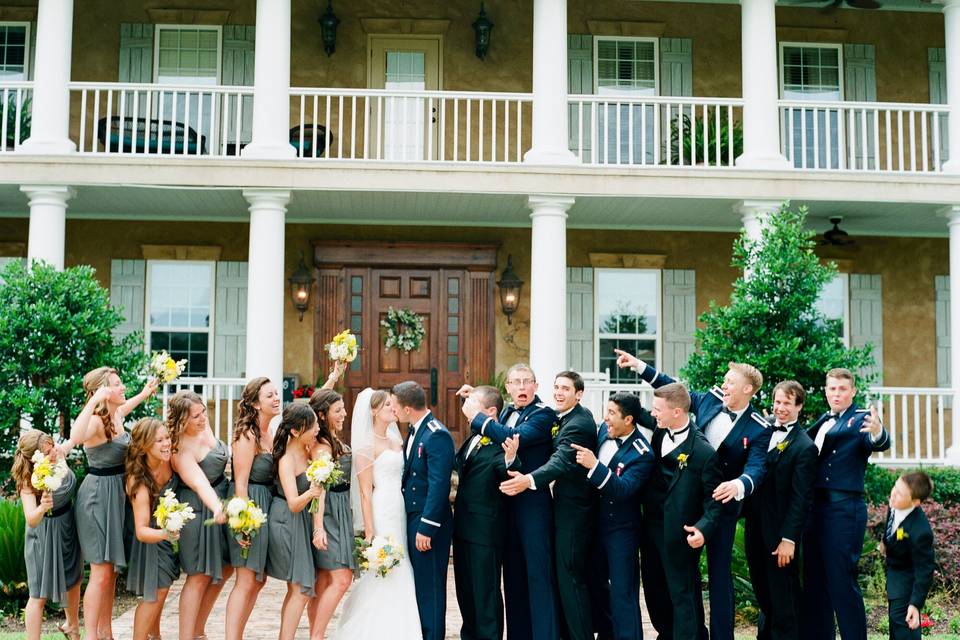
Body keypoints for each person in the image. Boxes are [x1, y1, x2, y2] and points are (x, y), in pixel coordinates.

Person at [617, 350, 770, 640]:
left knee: (719, 576)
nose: (724, 385)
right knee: (678, 575)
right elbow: (673, 392)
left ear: (747, 389)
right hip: (685, 501)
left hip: (720, 506)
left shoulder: (758, 428)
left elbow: (758, 467)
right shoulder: (710, 399)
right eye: (724, 381)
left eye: (730, 382)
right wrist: (639, 366)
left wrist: (738, 485)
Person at [457, 363, 559, 640]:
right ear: (508, 388)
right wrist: (478, 397)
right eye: (517, 382)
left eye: (528, 382)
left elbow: (514, 438)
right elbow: (496, 423)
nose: (523, 387)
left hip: (532, 508)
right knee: (512, 580)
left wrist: (476, 416)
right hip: (505, 511)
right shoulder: (504, 412)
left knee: (538, 578)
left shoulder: (543, 414)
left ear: (536, 387)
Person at [498, 371, 598, 640]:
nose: (559, 393)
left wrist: (529, 480)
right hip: (554, 509)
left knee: (568, 583)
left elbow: (561, 461)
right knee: (548, 582)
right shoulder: (559, 417)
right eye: (557, 387)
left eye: (565, 388)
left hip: (573, 513)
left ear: (578, 393)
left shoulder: (579, 422)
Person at [65, 366, 157, 640]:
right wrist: (93, 400)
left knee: (112, 572)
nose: (122, 388)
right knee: (101, 572)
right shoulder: (94, 421)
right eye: (116, 385)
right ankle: (92, 635)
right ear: (103, 391)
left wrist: (144, 393)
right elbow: (76, 435)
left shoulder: (114, 414)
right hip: (96, 499)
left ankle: (107, 633)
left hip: (117, 496)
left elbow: (125, 406)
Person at [801, 368, 890, 640]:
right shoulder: (822, 420)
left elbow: (878, 441)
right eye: (832, 389)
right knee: (815, 582)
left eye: (842, 389)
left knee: (841, 580)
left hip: (843, 510)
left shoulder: (862, 418)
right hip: (815, 510)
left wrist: (878, 432)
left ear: (852, 391)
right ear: (826, 391)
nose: (836, 393)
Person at [331, 388, 423, 639]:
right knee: (387, 560)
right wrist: (369, 528)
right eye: (386, 406)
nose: (393, 409)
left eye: (392, 405)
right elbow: (364, 492)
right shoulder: (365, 446)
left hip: (400, 507)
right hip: (381, 507)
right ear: (373, 411)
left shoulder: (398, 441)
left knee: (402, 560)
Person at [642, 382, 723, 640]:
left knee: (682, 594)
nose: (653, 413)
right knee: (655, 590)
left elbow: (714, 500)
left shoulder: (703, 452)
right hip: (651, 527)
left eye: (657, 409)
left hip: (680, 533)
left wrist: (703, 529)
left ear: (677, 412)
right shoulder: (659, 432)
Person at [571, 392, 655, 640]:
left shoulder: (642, 453)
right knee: (596, 585)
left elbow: (622, 490)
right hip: (593, 525)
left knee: (623, 592)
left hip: (622, 530)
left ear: (628, 419)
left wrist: (594, 466)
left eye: (611, 413)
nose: (605, 418)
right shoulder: (601, 432)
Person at [743, 381, 818, 640]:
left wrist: (789, 539)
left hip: (780, 536)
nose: (780, 408)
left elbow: (801, 499)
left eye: (787, 403)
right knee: (763, 595)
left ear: (799, 406)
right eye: (777, 402)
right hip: (755, 528)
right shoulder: (762, 434)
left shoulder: (804, 447)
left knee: (782, 600)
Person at [454, 385, 521, 640]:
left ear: (491, 412)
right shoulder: (473, 436)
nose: (467, 410)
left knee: (485, 596)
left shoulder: (502, 442)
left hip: (486, 533)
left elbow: (509, 470)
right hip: (463, 528)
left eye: (473, 405)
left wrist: (510, 460)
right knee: (466, 594)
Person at [394, 380, 456, 640]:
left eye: (395, 406)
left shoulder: (436, 434)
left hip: (427, 522)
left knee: (430, 586)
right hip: (414, 517)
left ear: (408, 408)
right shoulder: (416, 430)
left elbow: (439, 485)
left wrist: (427, 527)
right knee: (420, 584)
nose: (393, 411)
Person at [168, 391, 232, 640]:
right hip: (198, 508)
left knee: (224, 568)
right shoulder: (180, 449)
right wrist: (217, 507)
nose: (203, 418)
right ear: (182, 420)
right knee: (198, 575)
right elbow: (199, 483)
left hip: (221, 499)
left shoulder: (203, 427)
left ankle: (198, 629)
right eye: (196, 416)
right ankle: (187, 636)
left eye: (203, 411)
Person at [224, 377, 279, 640]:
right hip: (250, 506)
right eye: (269, 396)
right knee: (245, 580)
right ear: (256, 404)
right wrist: (243, 524)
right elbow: (240, 484)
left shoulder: (269, 432)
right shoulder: (247, 435)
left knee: (259, 580)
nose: (276, 398)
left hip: (266, 503)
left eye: (276, 393)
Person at [14, 430, 82, 640]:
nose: (52, 452)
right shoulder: (28, 481)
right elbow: (31, 519)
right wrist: (42, 507)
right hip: (42, 534)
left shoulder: (58, 457)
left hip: (66, 526)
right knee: (38, 594)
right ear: (34, 457)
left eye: (52, 446)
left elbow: (76, 437)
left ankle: (72, 626)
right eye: (46, 451)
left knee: (74, 579)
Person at [266, 403, 325, 640]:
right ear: (296, 431)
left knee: (297, 588)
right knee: (299, 587)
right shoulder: (287, 459)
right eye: (313, 426)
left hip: (298, 521)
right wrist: (313, 491)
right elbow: (293, 502)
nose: (317, 429)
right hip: (285, 521)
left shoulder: (307, 449)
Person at [125, 418, 181, 640]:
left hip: (166, 538)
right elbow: (141, 530)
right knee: (154, 595)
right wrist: (166, 534)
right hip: (151, 541)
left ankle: (155, 637)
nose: (166, 443)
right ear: (144, 446)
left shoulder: (169, 461)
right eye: (159, 440)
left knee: (161, 593)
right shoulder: (138, 481)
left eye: (167, 438)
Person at [308, 387, 355, 639]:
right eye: (338, 410)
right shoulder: (322, 448)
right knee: (342, 578)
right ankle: (317, 636)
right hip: (328, 515)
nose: (344, 414)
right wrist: (318, 527)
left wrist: (335, 377)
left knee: (324, 580)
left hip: (340, 510)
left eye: (343, 408)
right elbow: (320, 488)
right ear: (323, 415)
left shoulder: (333, 439)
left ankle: (317, 634)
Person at [882, 472, 935, 640]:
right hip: (893, 579)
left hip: (906, 587)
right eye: (894, 487)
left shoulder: (921, 531)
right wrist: (886, 542)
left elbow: (925, 570)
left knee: (903, 631)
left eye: (899, 493)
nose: (893, 494)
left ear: (915, 502)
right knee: (894, 630)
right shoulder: (894, 503)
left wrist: (915, 604)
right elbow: (891, 526)